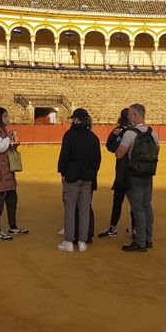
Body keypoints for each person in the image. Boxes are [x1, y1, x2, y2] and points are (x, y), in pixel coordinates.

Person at [115, 103, 159, 252]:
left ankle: (140, 241)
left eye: (129, 114)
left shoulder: (129, 133)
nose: (127, 117)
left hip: (134, 174)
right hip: (148, 174)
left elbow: (119, 154)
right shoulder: (153, 132)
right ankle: (148, 238)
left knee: (138, 207)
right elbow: (157, 150)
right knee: (147, 205)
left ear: (135, 115)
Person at [57, 108, 101, 252]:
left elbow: (64, 156)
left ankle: (69, 241)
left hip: (72, 177)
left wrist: (62, 172)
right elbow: (97, 160)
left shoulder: (70, 135)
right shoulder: (93, 137)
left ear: (76, 119)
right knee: (84, 209)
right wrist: (92, 173)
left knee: (70, 208)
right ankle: (82, 242)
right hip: (87, 177)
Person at [0, 107, 29, 240]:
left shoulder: (1, 130)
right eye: (5, 116)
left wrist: (14, 144)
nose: (7, 118)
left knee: (12, 200)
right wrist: (9, 138)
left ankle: (12, 226)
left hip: (7, 171)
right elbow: (0, 147)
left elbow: (6, 147)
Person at [98, 108, 135, 238]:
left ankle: (129, 228)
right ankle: (118, 227)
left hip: (127, 170)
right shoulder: (122, 131)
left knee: (127, 201)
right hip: (124, 170)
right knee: (121, 201)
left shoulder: (128, 130)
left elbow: (110, 146)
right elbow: (110, 146)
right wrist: (119, 137)